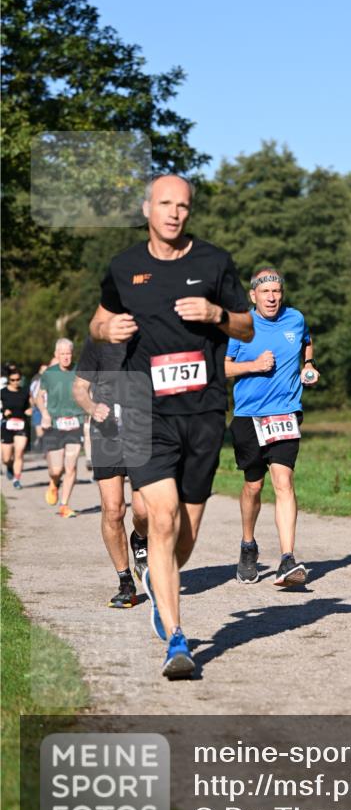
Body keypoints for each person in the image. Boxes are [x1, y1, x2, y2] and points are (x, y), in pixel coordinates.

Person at [89, 173, 253, 679]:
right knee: (161, 518)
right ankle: (177, 640)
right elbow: (98, 322)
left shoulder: (214, 261)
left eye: (182, 205)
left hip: (202, 411)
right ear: (147, 209)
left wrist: (216, 312)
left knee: (185, 534)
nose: (174, 213)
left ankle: (162, 582)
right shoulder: (124, 267)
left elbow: (246, 324)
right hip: (144, 409)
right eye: (165, 204)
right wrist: (106, 329)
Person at [225, 266, 319, 587]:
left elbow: (307, 341)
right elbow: (221, 367)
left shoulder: (295, 319)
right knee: (254, 486)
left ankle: (287, 559)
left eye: (276, 291)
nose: (272, 297)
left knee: (284, 481)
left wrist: (308, 365)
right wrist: (253, 365)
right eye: (265, 292)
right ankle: (248, 545)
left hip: (285, 413)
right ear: (253, 296)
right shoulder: (241, 326)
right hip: (249, 416)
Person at [73, 338, 149, 609]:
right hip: (107, 434)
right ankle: (125, 581)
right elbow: (80, 388)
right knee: (114, 509)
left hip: (143, 432)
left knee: (144, 510)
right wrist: (92, 408)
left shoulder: (151, 333)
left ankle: (140, 538)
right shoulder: (98, 342)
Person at [37, 339, 85, 517]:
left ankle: (64, 505)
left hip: (75, 423)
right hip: (55, 424)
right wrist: (44, 413)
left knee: (71, 466)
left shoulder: (79, 370)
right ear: (57, 355)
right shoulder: (49, 374)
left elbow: (89, 392)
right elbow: (39, 397)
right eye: (62, 354)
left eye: (69, 353)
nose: (66, 357)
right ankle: (54, 482)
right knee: (56, 469)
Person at [1, 365, 32, 489]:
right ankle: (9, 466)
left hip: (21, 425)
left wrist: (29, 410)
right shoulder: (2, 392)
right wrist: (4, 412)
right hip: (7, 425)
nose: (15, 382)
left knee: (19, 453)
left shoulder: (24, 391)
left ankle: (17, 479)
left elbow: (30, 405)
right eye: (12, 380)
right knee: (6, 458)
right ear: (8, 380)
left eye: (17, 379)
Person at [30, 364, 48, 452]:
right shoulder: (36, 379)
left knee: (47, 429)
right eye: (43, 370)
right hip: (37, 408)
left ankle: (46, 447)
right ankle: (41, 444)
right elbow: (32, 393)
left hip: (47, 407)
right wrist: (33, 404)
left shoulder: (49, 379)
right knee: (39, 431)